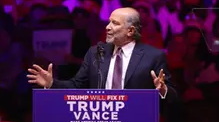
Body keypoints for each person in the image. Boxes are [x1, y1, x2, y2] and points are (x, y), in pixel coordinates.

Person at [27, 7, 177, 103]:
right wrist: (52, 83)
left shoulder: (153, 56)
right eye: (108, 22)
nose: (107, 27)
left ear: (130, 31)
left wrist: (162, 90)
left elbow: (172, 97)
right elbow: (76, 86)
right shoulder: (95, 53)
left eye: (115, 23)